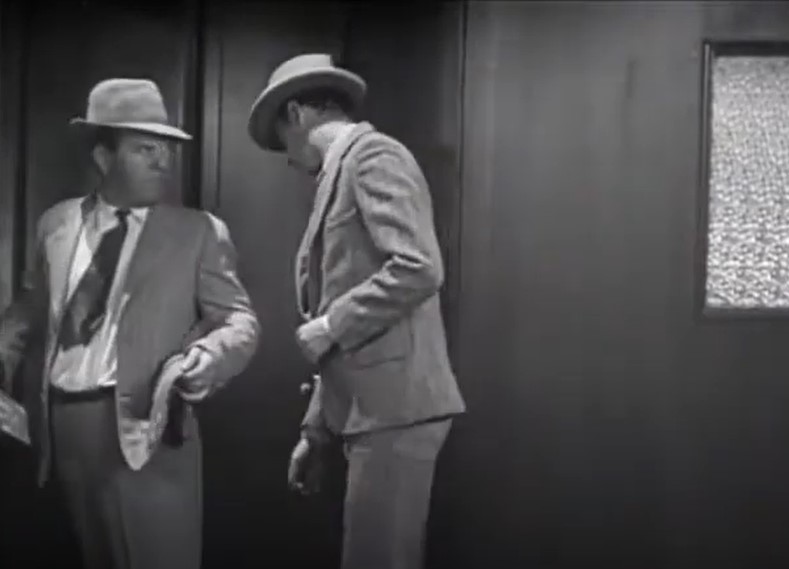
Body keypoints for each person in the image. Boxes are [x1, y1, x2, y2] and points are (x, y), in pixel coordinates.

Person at [0, 78, 260, 569]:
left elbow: (238, 320)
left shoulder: (198, 232)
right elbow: (31, 307)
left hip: (147, 428)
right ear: (104, 157)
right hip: (60, 429)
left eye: (166, 150)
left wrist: (208, 358)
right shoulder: (57, 224)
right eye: (146, 149)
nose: (163, 162)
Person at [248, 53, 466, 569]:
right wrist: (316, 429)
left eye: (283, 140)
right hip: (372, 410)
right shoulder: (341, 172)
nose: (288, 158)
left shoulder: (374, 157)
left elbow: (419, 266)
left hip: (397, 408)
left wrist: (331, 324)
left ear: (297, 113)